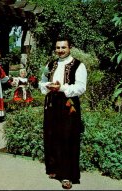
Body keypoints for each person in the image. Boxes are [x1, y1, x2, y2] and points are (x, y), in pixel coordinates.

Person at [38, 37, 87, 189]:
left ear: (69, 48)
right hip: (52, 103)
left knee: (67, 137)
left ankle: (67, 175)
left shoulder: (79, 65)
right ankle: (53, 169)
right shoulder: (50, 64)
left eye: (63, 47)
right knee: (51, 135)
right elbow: (41, 82)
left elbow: (80, 87)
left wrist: (62, 88)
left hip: (68, 104)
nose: (60, 50)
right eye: (58, 47)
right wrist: (48, 86)